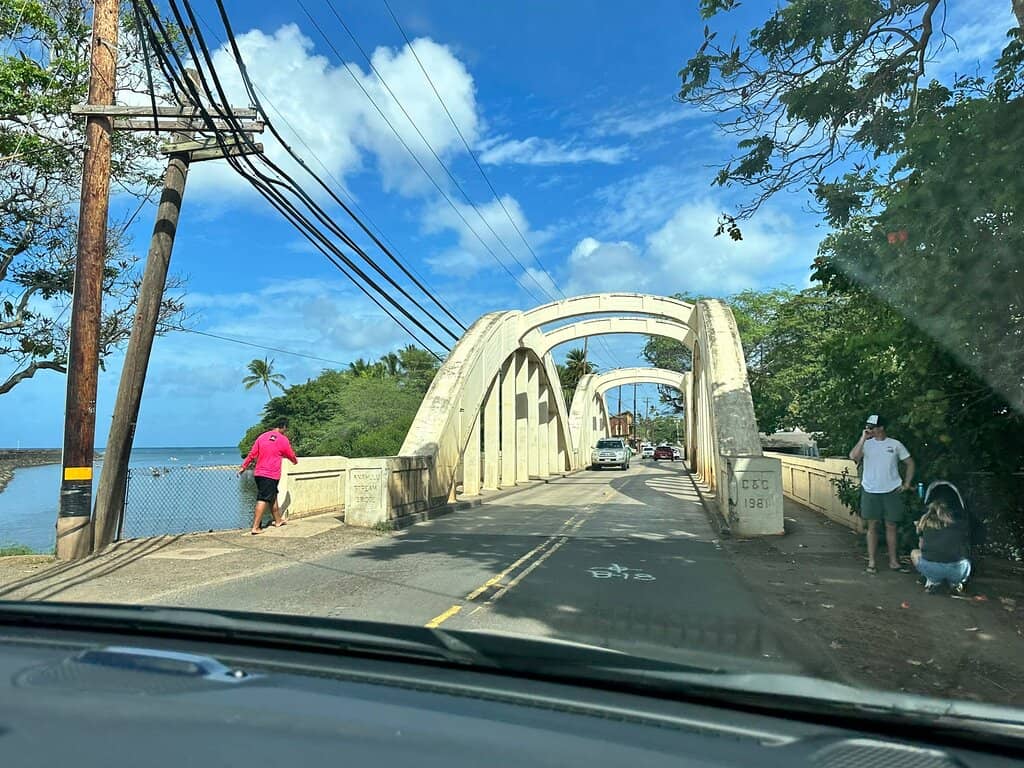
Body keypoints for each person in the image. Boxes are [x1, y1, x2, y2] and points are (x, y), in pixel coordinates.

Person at [849, 414, 915, 574]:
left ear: (881, 427)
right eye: (868, 427)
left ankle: (894, 561)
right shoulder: (866, 444)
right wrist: (863, 438)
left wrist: (906, 484)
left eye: (872, 427)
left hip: (891, 490)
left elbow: (910, 462)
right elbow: (853, 457)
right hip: (870, 490)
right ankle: (872, 562)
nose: (869, 429)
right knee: (872, 526)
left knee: (891, 525)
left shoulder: (895, 444)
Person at [238, 419, 298, 535]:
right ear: (283, 427)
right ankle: (255, 527)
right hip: (271, 474)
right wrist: (294, 461)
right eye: (285, 429)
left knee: (273, 496)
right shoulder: (282, 439)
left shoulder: (262, 437)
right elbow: (290, 454)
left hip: (259, 473)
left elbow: (252, 454)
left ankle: (278, 520)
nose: (285, 431)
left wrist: (244, 466)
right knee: (263, 498)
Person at [911, 498, 971, 594]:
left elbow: (922, 547)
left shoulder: (924, 524)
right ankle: (956, 584)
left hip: (933, 569)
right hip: (957, 570)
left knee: (914, 553)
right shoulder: (958, 524)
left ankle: (933, 582)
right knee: (965, 559)